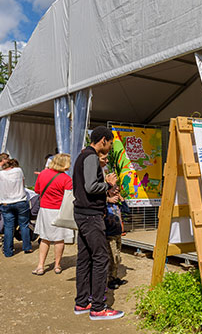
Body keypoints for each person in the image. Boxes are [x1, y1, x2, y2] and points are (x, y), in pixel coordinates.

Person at [72, 126, 124, 320]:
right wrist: (108, 184)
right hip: (91, 216)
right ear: (103, 140)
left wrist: (105, 192)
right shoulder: (91, 157)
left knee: (85, 259)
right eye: (110, 144)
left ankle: (82, 302)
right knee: (102, 258)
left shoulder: (82, 156)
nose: (109, 148)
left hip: (82, 213)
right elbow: (91, 186)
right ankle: (98, 308)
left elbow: (87, 187)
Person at [32, 153, 74, 275]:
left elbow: (37, 190)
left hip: (45, 210)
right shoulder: (66, 179)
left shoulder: (43, 174)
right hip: (60, 211)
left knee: (45, 238)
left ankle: (40, 266)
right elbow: (69, 197)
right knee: (59, 240)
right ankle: (57, 265)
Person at [0, 158, 32, 257]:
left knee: (9, 227)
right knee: (24, 225)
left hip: (5, 203)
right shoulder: (19, 171)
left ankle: (8, 251)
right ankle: (27, 247)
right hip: (20, 201)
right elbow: (22, 183)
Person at [98, 153, 127, 290]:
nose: (116, 192)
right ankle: (110, 279)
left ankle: (115, 277)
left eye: (117, 190)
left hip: (118, 233)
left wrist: (122, 199)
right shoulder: (107, 204)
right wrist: (108, 199)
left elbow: (126, 211)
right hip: (108, 234)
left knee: (118, 257)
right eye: (113, 190)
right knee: (112, 258)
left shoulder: (117, 204)